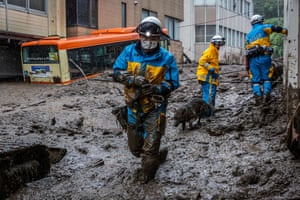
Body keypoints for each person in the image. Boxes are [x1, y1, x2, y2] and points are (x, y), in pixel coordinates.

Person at [112, 16, 180, 183]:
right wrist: (131, 79)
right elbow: (116, 72)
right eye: (145, 37)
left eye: (153, 38)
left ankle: (147, 176)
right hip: (133, 106)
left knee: (149, 150)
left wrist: (157, 88)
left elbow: (174, 82)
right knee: (135, 149)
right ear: (139, 36)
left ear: (158, 39)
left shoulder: (167, 58)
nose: (148, 41)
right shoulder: (128, 52)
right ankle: (157, 154)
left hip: (155, 108)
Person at [245, 14, 288, 105]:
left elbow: (247, 49)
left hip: (252, 59)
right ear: (261, 21)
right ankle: (266, 96)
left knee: (255, 79)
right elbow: (276, 28)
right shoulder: (264, 27)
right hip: (264, 57)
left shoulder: (248, 35)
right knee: (267, 76)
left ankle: (258, 97)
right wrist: (286, 31)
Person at [196, 35, 226, 116]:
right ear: (214, 43)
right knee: (208, 95)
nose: (219, 45)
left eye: (220, 44)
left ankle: (210, 111)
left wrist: (216, 73)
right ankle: (206, 113)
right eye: (218, 43)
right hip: (206, 75)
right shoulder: (210, 51)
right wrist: (210, 68)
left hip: (211, 75)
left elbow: (213, 64)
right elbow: (201, 61)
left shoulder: (215, 51)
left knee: (212, 93)